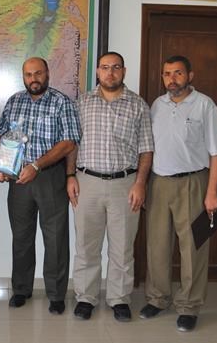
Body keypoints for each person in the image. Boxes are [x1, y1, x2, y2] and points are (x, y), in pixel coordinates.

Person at [139, 55, 217, 332]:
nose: (172, 78)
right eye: (167, 73)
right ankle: (158, 298)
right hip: (159, 183)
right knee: (157, 245)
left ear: (190, 76)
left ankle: (189, 306)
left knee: (193, 247)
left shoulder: (204, 105)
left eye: (178, 73)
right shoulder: (157, 105)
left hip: (193, 183)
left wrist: (212, 193)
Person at [65, 52, 154, 322]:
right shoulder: (82, 103)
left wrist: (140, 183)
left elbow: (146, 149)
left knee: (122, 248)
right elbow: (72, 143)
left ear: (124, 71)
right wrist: (70, 176)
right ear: (97, 72)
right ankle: (86, 298)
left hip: (125, 184)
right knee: (86, 246)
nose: (110, 72)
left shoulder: (138, 105)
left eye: (116, 67)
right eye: (105, 67)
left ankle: (119, 299)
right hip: (87, 182)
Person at [0, 57, 81, 315]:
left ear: (47, 73)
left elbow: (69, 142)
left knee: (55, 238)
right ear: (23, 76)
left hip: (49, 176)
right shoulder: (14, 101)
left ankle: (56, 294)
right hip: (18, 177)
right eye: (28, 74)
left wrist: (37, 166)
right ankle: (21, 289)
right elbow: (2, 137)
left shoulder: (61, 102)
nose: (33, 79)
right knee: (21, 236)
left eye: (38, 73)